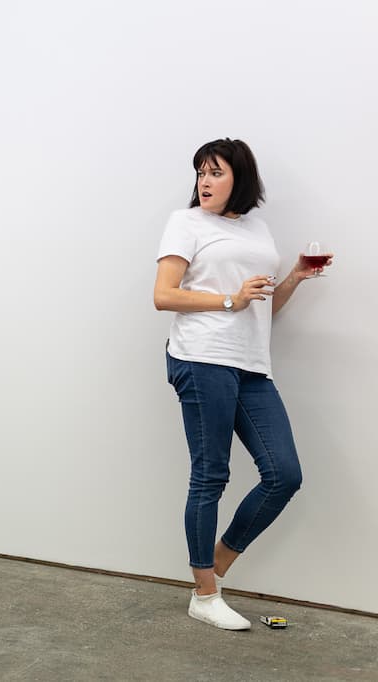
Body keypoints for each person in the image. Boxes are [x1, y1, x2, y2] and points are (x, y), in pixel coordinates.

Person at [153, 138, 333, 630]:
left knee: (284, 475)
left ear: (240, 179)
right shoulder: (186, 223)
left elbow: (262, 310)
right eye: (200, 173)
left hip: (251, 364)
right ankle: (205, 593)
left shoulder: (257, 228)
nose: (204, 182)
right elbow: (163, 296)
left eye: (215, 173)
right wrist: (230, 299)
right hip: (200, 358)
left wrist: (293, 277)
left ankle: (214, 568)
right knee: (211, 475)